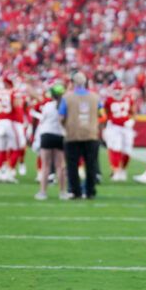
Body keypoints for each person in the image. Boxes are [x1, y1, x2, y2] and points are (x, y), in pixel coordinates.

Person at [59, 72, 103, 200]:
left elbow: (61, 117)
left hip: (72, 135)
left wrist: (67, 126)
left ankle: (75, 191)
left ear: (72, 83)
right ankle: (90, 191)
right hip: (91, 134)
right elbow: (102, 114)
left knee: (72, 165)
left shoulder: (67, 98)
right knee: (91, 164)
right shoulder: (95, 97)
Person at [34, 84, 69, 200]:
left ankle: (43, 192)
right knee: (60, 166)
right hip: (59, 135)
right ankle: (63, 192)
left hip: (47, 135)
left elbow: (43, 120)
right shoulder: (65, 106)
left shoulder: (47, 105)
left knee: (45, 166)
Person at [104, 81, 136, 182]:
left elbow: (133, 112)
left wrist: (132, 120)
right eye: (115, 90)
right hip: (114, 127)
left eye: (119, 90)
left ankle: (123, 170)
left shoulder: (129, 98)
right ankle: (116, 171)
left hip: (126, 128)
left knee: (128, 151)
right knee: (116, 148)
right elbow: (106, 113)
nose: (117, 93)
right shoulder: (108, 100)